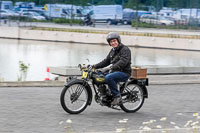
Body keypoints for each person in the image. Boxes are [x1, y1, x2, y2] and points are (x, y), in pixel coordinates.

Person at [93, 32, 132, 105]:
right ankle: (104, 95)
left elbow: (123, 62)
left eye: (114, 41)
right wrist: (94, 66)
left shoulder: (125, 49)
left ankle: (117, 96)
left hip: (124, 72)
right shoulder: (112, 51)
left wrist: (112, 67)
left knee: (108, 77)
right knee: (97, 75)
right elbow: (106, 61)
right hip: (114, 71)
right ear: (109, 43)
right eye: (111, 42)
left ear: (118, 40)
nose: (113, 43)